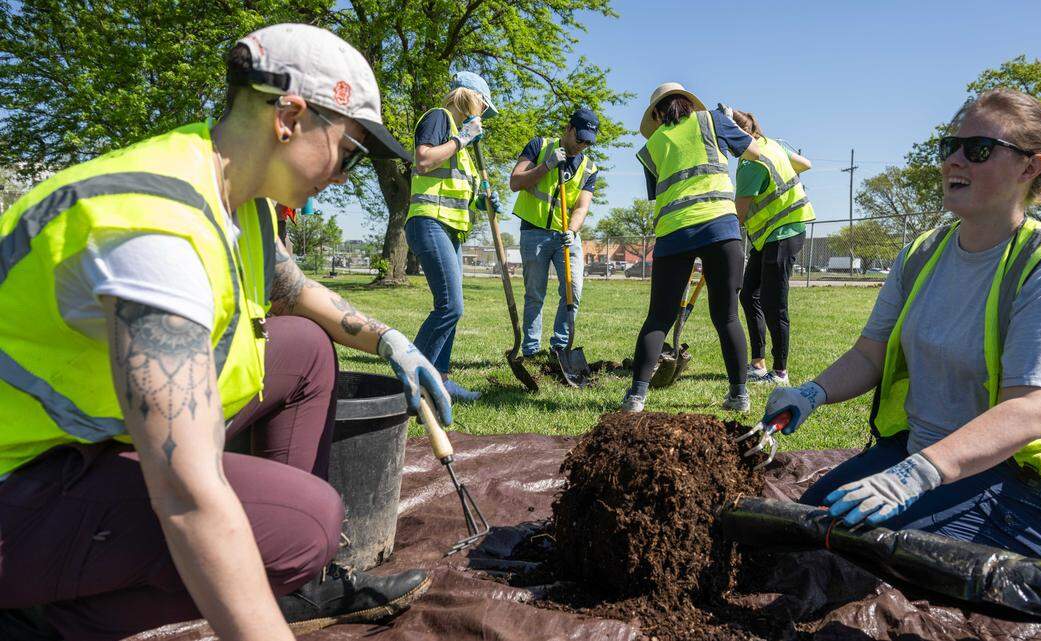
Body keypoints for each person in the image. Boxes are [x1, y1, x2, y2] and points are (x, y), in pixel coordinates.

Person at [0, 24, 453, 640]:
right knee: (309, 525)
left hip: (78, 442)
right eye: (348, 150)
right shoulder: (154, 234)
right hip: (19, 488)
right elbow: (188, 500)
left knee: (304, 349)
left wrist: (385, 338)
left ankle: (286, 585)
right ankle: (43, 622)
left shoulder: (237, 193)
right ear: (289, 116)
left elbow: (291, 292)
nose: (346, 175)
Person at [762, 88, 1041, 559]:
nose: (954, 160)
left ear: (1030, 167)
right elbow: (870, 353)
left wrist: (917, 475)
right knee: (806, 528)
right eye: (949, 146)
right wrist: (810, 393)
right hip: (934, 454)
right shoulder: (920, 254)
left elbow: (1037, 408)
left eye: (977, 150)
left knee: (881, 561)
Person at [622, 82, 767, 413]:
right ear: (688, 103)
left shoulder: (651, 147)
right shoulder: (712, 121)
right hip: (720, 227)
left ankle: (636, 396)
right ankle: (739, 395)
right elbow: (754, 153)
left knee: (659, 317)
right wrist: (727, 121)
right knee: (727, 316)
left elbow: (660, 192)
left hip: (674, 233)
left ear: (657, 113)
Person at [406, 70, 501, 403]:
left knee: (450, 308)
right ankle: (412, 380)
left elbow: (460, 189)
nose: (483, 118)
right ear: (469, 98)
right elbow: (423, 160)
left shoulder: (462, 145)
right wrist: (462, 137)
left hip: (451, 229)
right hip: (428, 222)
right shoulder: (440, 119)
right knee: (450, 307)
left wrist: (484, 199)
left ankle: (441, 380)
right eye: (482, 108)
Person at [730, 109, 815, 386]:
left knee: (773, 302)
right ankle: (758, 363)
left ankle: (779, 373)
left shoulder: (750, 163)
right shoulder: (772, 146)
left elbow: (737, 216)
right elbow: (806, 163)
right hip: (772, 235)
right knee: (749, 294)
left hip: (783, 232)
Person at [509, 108, 600, 360]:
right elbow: (515, 182)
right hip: (533, 233)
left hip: (565, 236)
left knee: (573, 291)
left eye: (587, 142)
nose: (582, 146)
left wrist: (572, 230)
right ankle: (530, 351)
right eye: (579, 139)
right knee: (535, 294)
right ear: (568, 129)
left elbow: (582, 206)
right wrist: (546, 166)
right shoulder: (539, 145)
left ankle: (560, 347)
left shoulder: (590, 168)